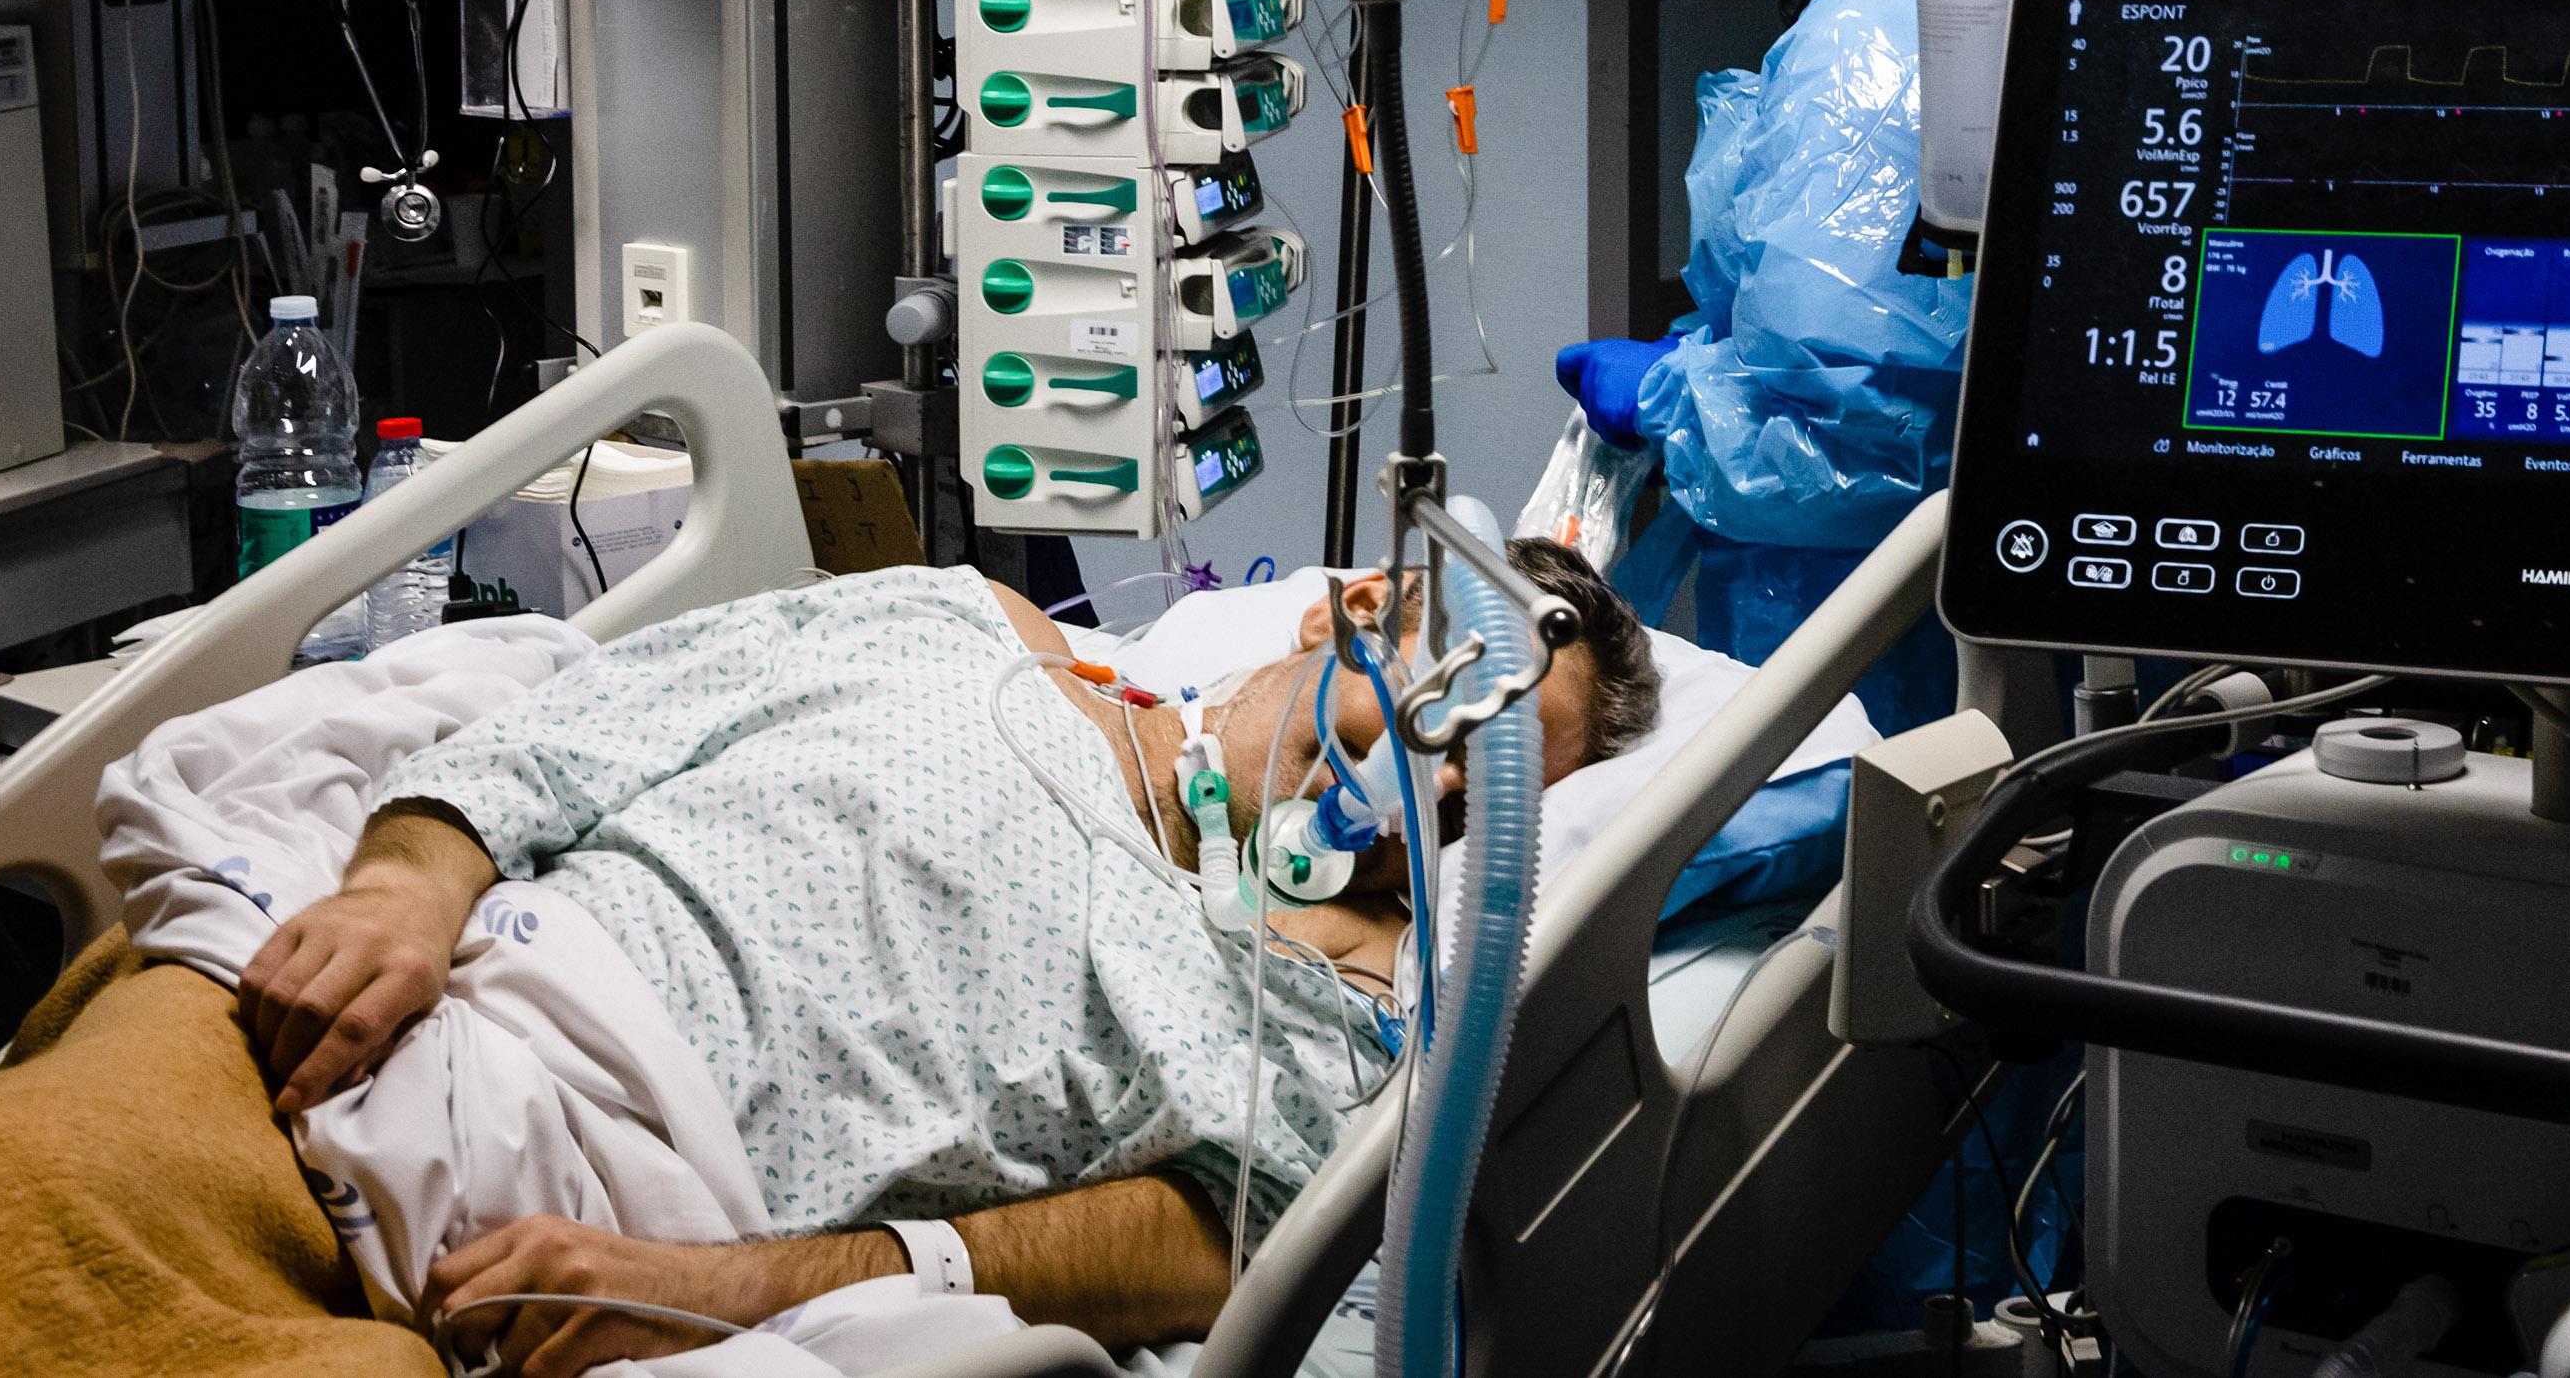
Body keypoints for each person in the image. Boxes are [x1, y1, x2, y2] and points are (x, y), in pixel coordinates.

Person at [227, 544, 1657, 1375]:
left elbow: (1182, 1252)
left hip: (590, 1254)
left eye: (1491, 793)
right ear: (1352, 612)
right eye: (1453, 728)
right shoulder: (968, 627)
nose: (1445, 793)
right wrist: (405, 892)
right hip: (402, 1010)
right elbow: (588, 723)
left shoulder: (1325, 1018)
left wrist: (712, 1284)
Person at [1554, 0, 1972, 734]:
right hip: (1847, 626)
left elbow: (1852, 435)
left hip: (1872, 651)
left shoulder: (1869, 53)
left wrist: (1675, 402)